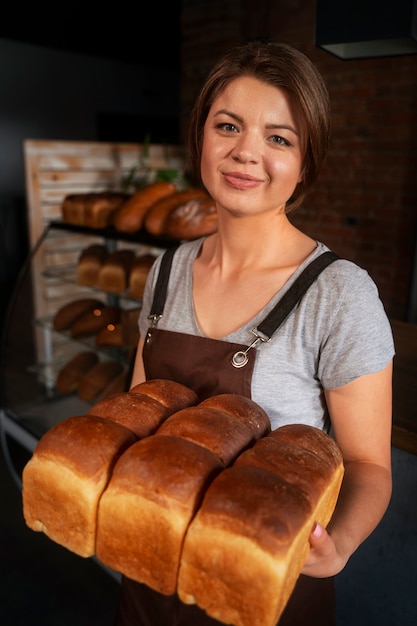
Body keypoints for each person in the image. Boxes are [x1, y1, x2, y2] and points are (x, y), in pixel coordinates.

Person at [115, 40, 394, 626]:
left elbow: (369, 466)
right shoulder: (165, 271)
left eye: (278, 138)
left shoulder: (339, 294)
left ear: (304, 160)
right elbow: (138, 412)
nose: (246, 153)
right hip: (148, 572)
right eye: (228, 126)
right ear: (201, 137)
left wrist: (338, 545)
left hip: (262, 589)